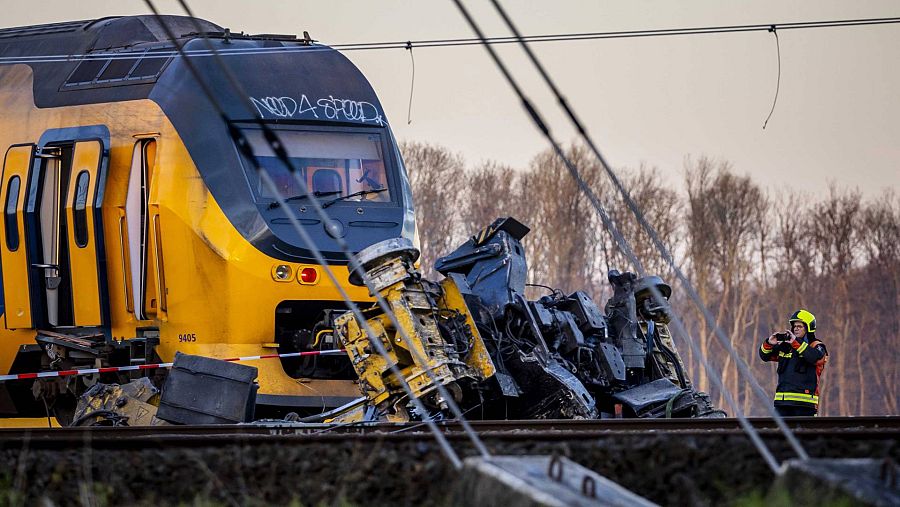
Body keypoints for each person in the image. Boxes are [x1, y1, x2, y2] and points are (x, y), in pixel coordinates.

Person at [759, 309, 828, 417]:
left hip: (805, 405)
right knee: (778, 433)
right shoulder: (787, 346)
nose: (795, 329)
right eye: (794, 326)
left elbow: (815, 358)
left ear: (808, 328)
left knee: (803, 434)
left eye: (799, 326)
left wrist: (795, 342)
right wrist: (769, 343)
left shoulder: (817, 346)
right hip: (782, 404)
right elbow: (764, 356)